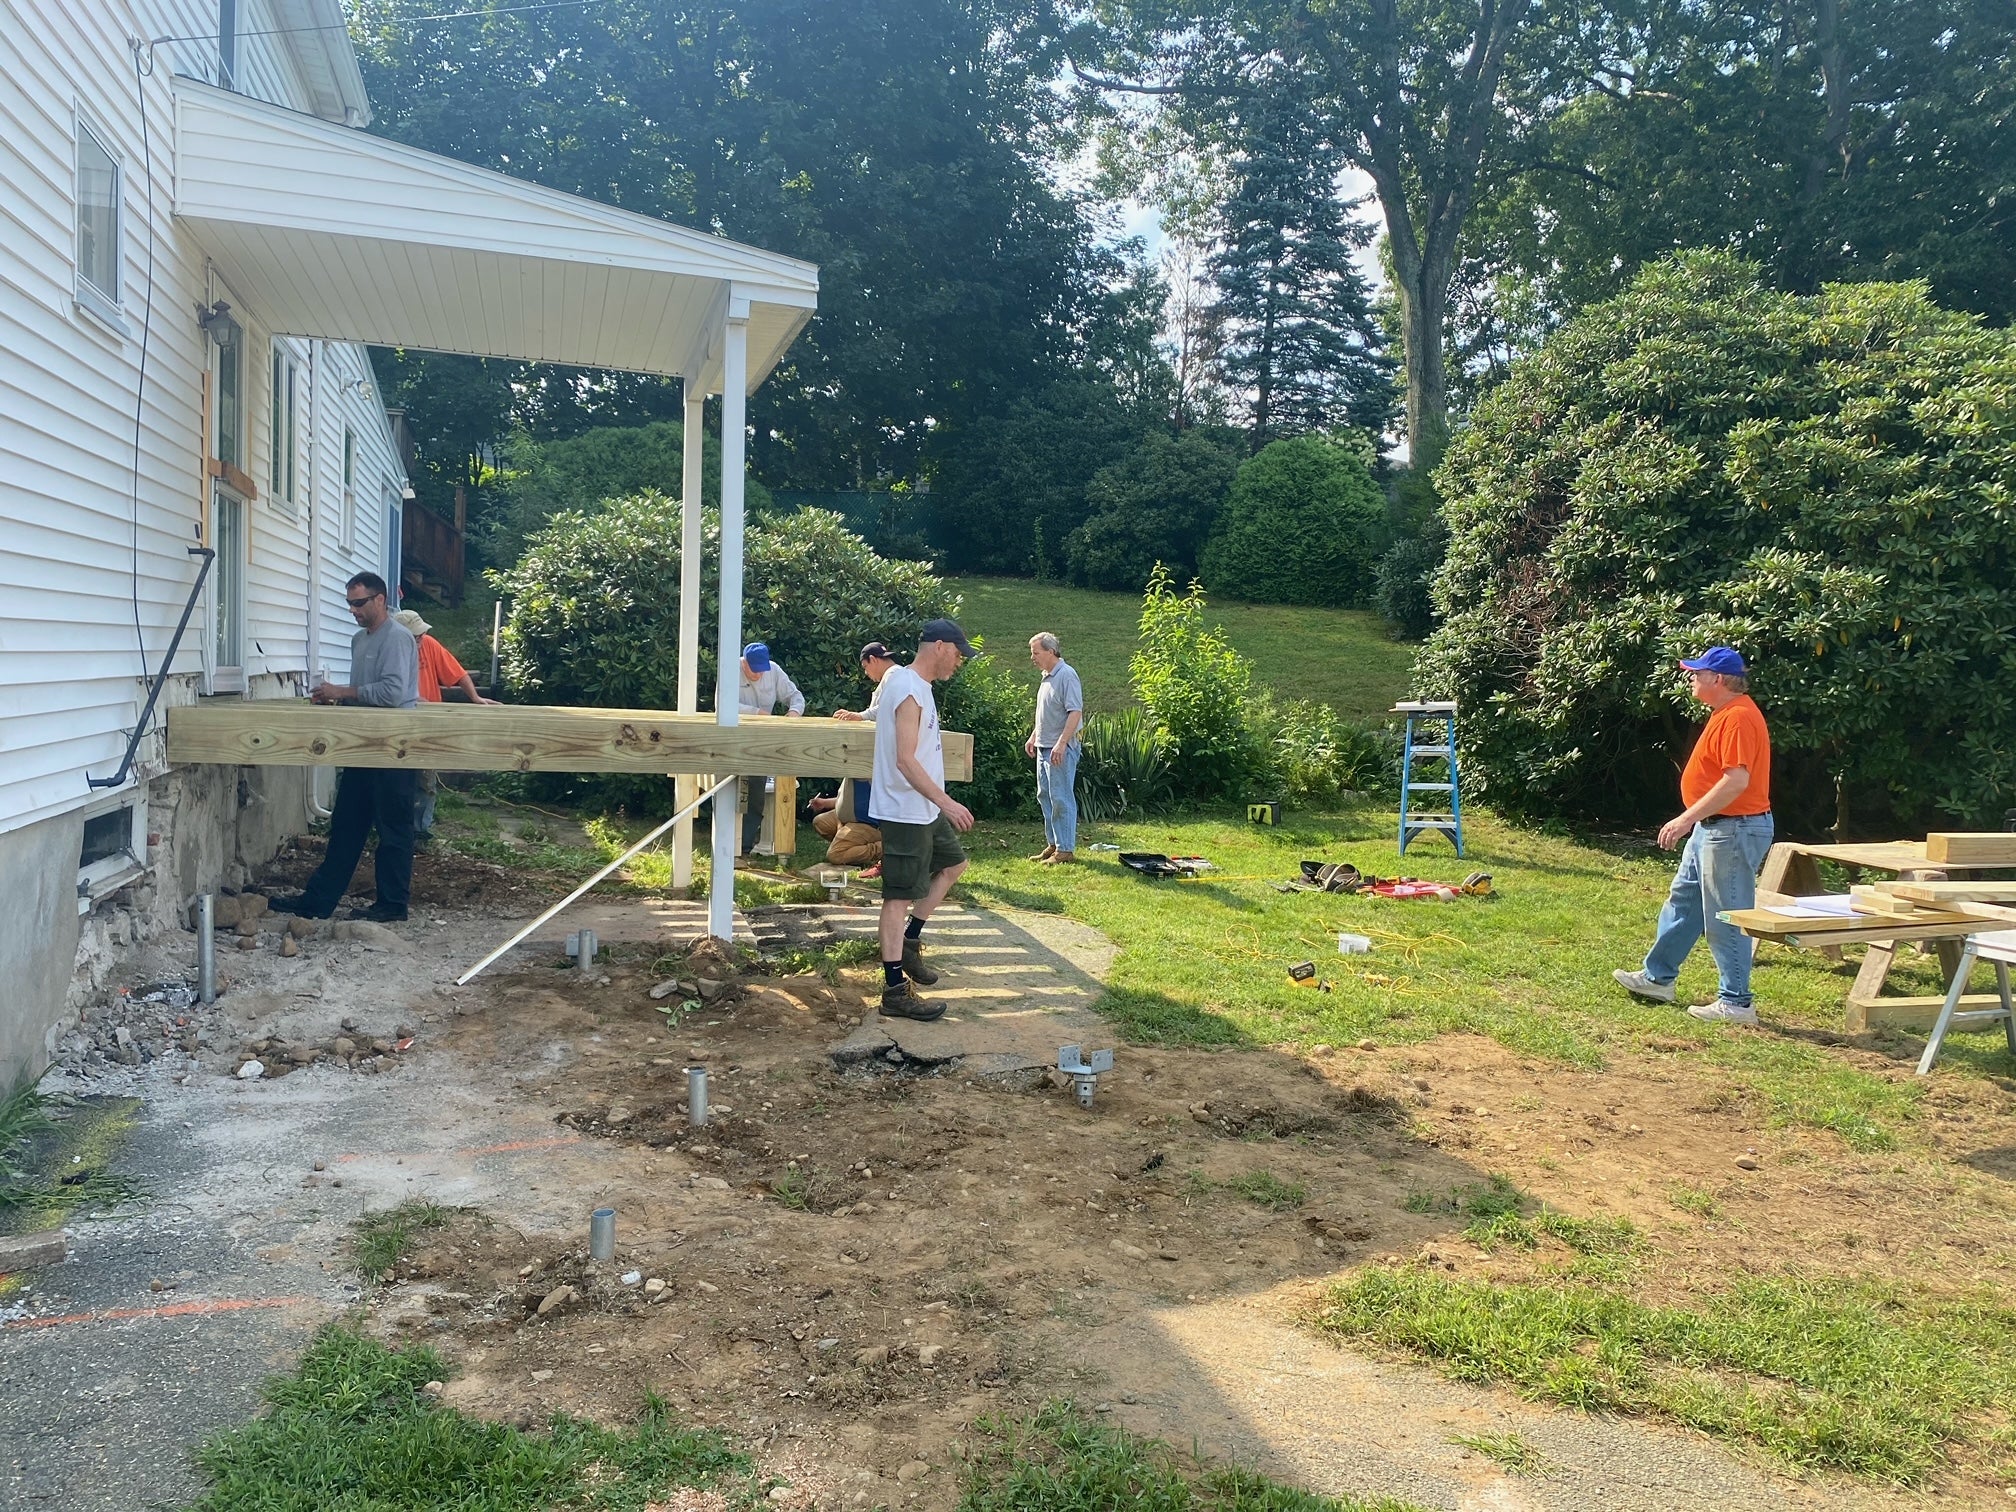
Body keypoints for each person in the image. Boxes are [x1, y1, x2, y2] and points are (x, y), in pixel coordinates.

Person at [1613, 647, 1775, 1025]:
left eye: (1696, 673)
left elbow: (1736, 781)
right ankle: (1657, 979)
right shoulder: (1726, 714)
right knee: (1683, 904)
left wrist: (1685, 819)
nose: (1691, 678)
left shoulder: (1737, 717)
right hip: (1714, 827)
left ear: (1718, 679)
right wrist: (1696, 822)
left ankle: (1736, 1003)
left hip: (1732, 829)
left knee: (1726, 917)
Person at [271, 573, 421, 923]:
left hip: (394, 747)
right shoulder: (359, 640)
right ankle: (318, 902)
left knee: (393, 829)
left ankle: (392, 905)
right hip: (362, 744)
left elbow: (393, 694)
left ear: (380, 600)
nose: (353, 611)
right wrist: (335, 702)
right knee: (346, 826)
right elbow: (365, 693)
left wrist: (343, 692)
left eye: (359, 603)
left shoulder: (398, 639)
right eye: (350, 603)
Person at [870, 619, 977, 1021]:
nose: (960, 661)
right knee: (898, 897)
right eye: (958, 653)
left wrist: (937, 804)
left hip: (923, 808)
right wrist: (946, 802)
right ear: (939, 646)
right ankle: (895, 991)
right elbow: (904, 759)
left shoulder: (920, 688)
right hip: (905, 810)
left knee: (955, 865)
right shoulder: (907, 687)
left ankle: (909, 943)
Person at [392, 609, 499, 845]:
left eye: (421, 635)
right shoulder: (392, 650)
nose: (420, 639)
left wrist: (476, 699)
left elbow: (458, 673)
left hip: (429, 725)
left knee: (426, 781)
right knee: (397, 781)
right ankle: (396, 832)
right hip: (398, 726)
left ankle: (420, 833)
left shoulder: (429, 644)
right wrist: (413, 699)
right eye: (415, 636)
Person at [812, 642, 899, 874]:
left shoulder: (894, 676)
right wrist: (827, 804)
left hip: (872, 818)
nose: (866, 674)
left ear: (873, 659)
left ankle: (887, 848)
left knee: (835, 854)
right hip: (857, 809)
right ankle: (852, 836)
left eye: (865, 667)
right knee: (821, 822)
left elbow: (886, 710)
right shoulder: (891, 677)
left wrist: (857, 716)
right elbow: (853, 796)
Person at [737, 642, 804, 854]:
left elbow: (796, 697)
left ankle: (744, 848)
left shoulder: (774, 670)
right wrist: (758, 713)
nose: (757, 674)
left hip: (762, 746)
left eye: (760, 670)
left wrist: (793, 713)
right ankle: (726, 847)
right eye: (753, 670)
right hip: (734, 743)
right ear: (744, 663)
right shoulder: (730, 670)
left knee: (755, 798)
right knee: (730, 797)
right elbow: (723, 705)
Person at [1024, 631, 1084, 865]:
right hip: (1043, 746)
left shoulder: (1067, 675)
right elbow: (1046, 714)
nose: (1032, 657)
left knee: (1061, 797)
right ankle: (1054, 844)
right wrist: (1033, 737)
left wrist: (1061, 743)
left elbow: (1075, 712)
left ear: (1051, 652)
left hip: (1060, 748)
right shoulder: (1046, 677)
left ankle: (1065, 850)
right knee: (1045, 796)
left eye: (1036, 653)